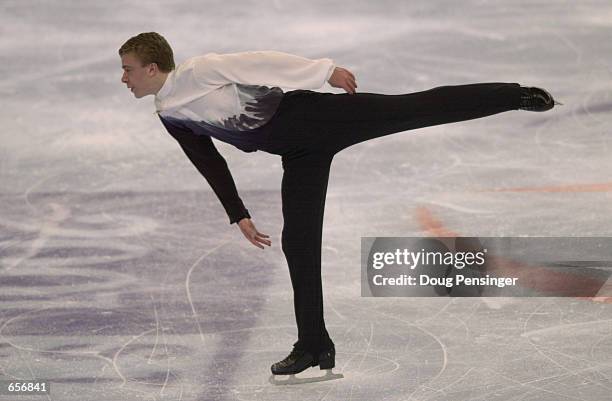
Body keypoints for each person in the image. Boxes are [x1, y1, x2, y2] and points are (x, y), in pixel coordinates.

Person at [118, 32, 559, 378]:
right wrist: (239, 213)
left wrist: (324, 71)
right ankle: (314, 346)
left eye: (128, 70)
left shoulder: (200, 71)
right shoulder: (168, 112)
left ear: (152, 67)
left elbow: (261, 62)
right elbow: (206, 159)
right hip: (297, 154)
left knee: (414, 108)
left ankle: (513, 95)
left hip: (316, 118)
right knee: (299, 245)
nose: (124, 79)